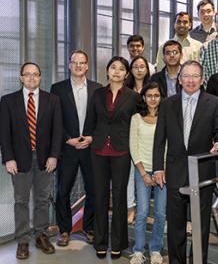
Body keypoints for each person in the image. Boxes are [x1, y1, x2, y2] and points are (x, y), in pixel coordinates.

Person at [153, 60, 218, 264]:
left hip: (202, 173)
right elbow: (159, 139)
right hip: (175, 171)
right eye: (186, 76)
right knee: (176, 224)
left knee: (200, 224)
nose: (191, 80)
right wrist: (158, 168)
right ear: (179, 79)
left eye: (195, 76)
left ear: (202, 79)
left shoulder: (214, 103)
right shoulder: (168, 104)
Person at [0, 62, 63, 260]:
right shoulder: (8, 101)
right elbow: (4, 133)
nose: (32, 78)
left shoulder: (52, 100)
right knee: (21, 201)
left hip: (45, 159)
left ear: (40, 77)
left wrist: (54, 155)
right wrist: (8, 158)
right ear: (21, 77)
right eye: (27, 75)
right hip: (18, 160)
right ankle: (22, 240)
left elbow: (57, 131)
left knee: (42, 200)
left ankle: (41, 235)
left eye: (35, 74)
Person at [84, 56, 140, 260]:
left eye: (121, 68)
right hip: (98, 151)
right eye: (113, 68)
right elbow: (90, 121)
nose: (117, 71)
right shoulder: (97, 94)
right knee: (99, 197)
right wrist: (86, 138)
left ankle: (118, 243)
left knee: (119, 198)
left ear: (126, 74)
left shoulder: (133, 97)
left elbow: (139, 124)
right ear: (107, 71)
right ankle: (100, 242)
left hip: (122, 151)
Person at [50, 50, 102, 246]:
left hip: (90, 148)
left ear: (87, 66)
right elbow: (54, 120)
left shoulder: (98, 89)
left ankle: (89, 228)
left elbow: (101, 120)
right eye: (75, 62)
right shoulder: (58, 89)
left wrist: (92, 138)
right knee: (63, 191)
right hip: (68, 148)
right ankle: (64, 230)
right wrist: (67, 139)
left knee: (93, 190)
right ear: (69, 65)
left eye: (82, 63)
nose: (79, 66)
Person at [129, 82, 166, 264]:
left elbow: (169, 146)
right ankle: (138, 251)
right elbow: (133, 147)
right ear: (144, 97)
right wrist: (143, 173)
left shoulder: (166, 117)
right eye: (149, 95)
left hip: (163, 172)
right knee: (142, 212)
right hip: (142, 170)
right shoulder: (136, 118)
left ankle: (156, 249)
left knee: (160, 213)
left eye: (156, 96)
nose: (152, 99)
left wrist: (163, 169)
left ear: (161, 97)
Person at [125, 55, 151, 224]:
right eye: (135, 67)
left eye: (142, 66)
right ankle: (130, 207)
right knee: (129, 175)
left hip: (148, 137)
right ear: (130, 70)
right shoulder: (126, 91)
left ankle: (145, 210)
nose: (139, 70)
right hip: (129, 136)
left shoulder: (153, 88)